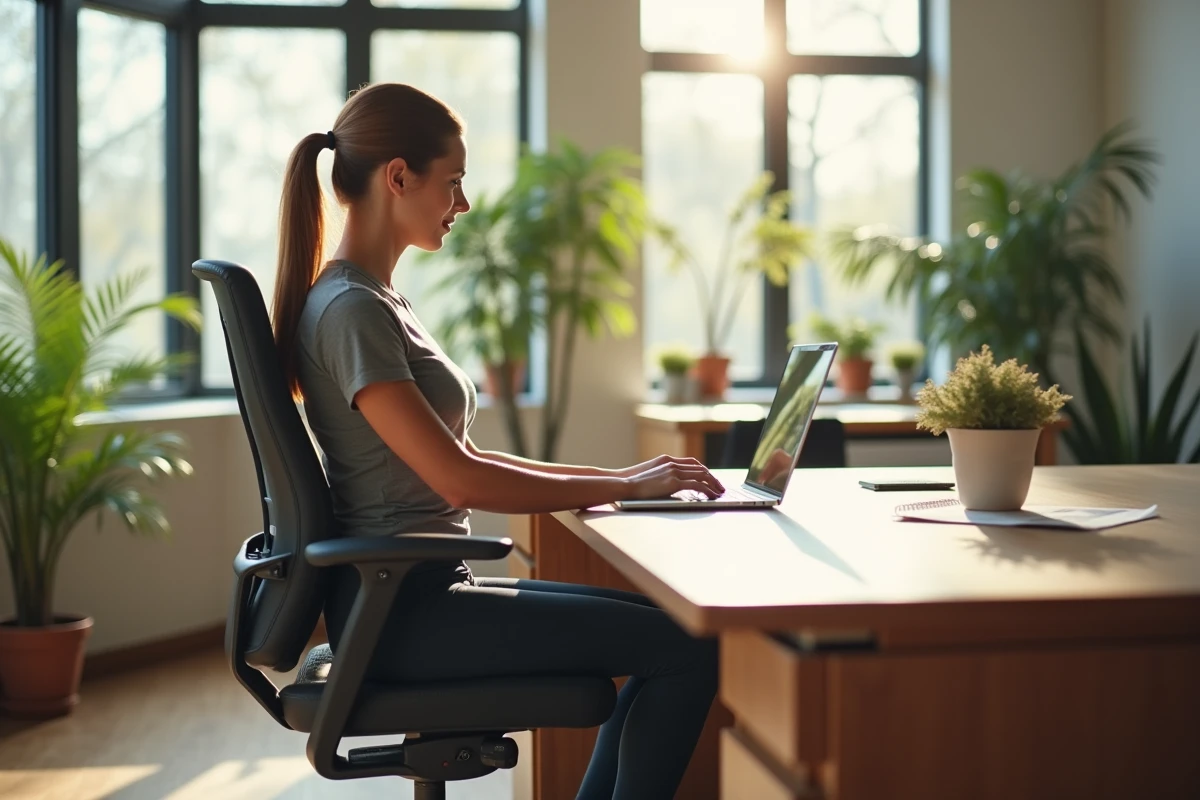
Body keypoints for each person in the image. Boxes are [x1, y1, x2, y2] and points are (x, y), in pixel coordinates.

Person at [270, 82, 726, 800]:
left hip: (413, 596)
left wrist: (622, 478)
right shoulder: (352, 308)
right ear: (398, 177)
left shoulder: (373, 300)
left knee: (675, 626)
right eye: (452, 181)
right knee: (687, 650)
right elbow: (461, 482)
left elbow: (468, 460)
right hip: (405, 615)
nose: (463, 203)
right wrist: (621, 486)